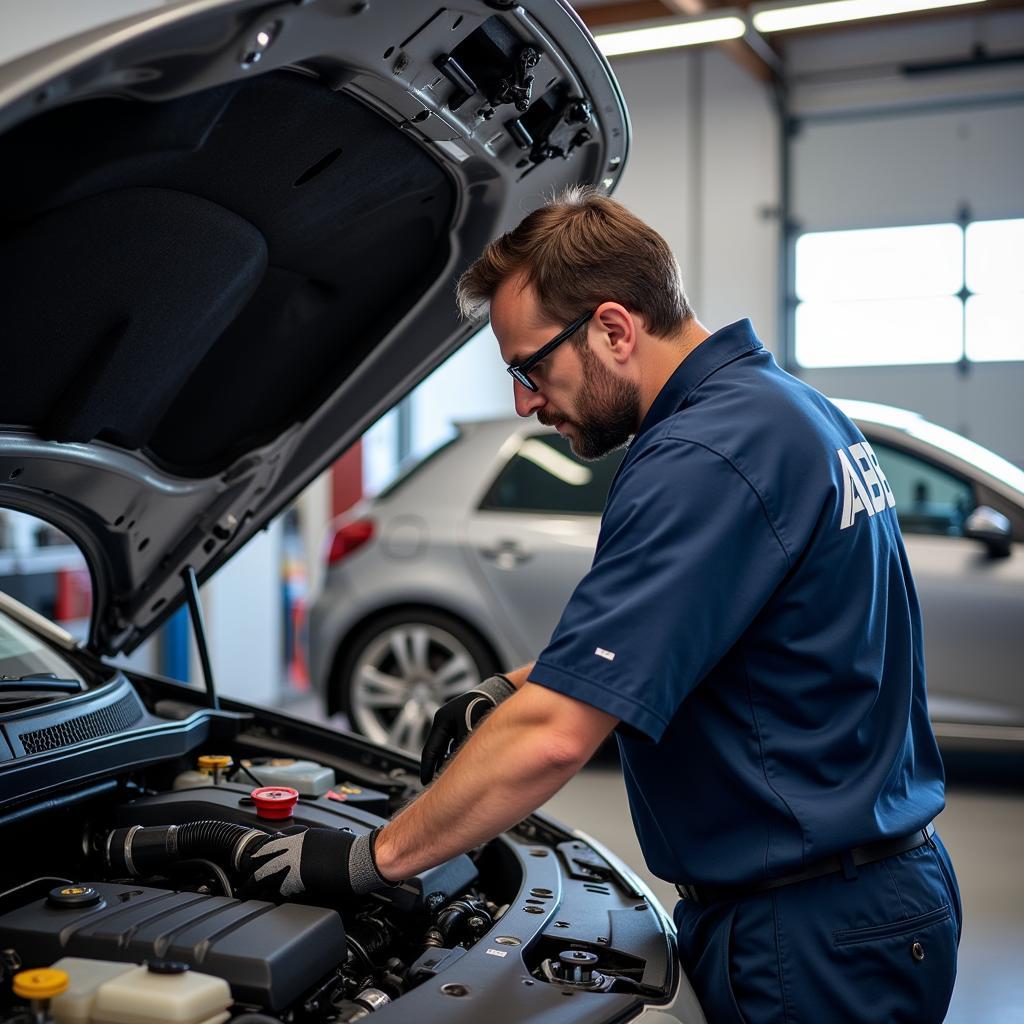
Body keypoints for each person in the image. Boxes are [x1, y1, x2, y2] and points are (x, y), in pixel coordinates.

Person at [242, 189, 962, 1023]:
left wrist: (372, 859)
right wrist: (515, 686)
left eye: (530, 367)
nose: (524, 401)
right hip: (864, 896)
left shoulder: (703, 455)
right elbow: (706, 633)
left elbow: (556, 739)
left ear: (615, 329)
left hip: (810, 930)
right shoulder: (786, 412)